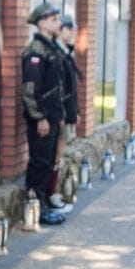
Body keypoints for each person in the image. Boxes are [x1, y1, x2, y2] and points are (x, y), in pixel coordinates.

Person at [21, 3, 71, 225]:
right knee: (40, 164)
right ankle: (35, 207)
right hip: (41, 120)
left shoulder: (51, 49)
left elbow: (56, 88)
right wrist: (39, 117)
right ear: (41, 23)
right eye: (53, 20)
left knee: (48, 162)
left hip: (52, 117)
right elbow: (30, 90)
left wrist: (59, 116)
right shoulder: (35, 51)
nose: (58, 23)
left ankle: (42, 204)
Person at [54, 13, 81, 211]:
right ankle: (52, 194)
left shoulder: (65, 53)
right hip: (59, 115)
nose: (72, 33)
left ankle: (56, 193)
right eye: (69, 28)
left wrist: (75, 111)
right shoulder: (57, 54)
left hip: (66, 114)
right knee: (55, 157)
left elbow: (72, 89)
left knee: (60, 157)